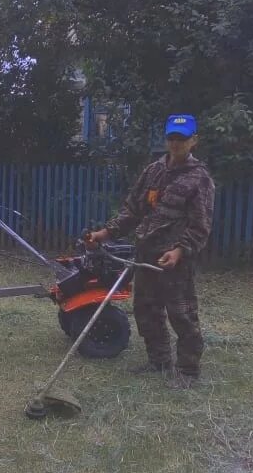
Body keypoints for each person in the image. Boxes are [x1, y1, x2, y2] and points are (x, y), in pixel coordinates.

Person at [86, 114, 215, 389]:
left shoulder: (199, 178)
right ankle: (158, 361)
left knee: (182, 314)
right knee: (146, 309)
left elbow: (201, 225)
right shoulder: (153, 171)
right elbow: (133, 210)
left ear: (194, 141)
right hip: (145, 255)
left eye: (182, 139)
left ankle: (188, 371)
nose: (176, 143)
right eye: (172, 138)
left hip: (174, 260)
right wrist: (104, 234)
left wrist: (180, 251)